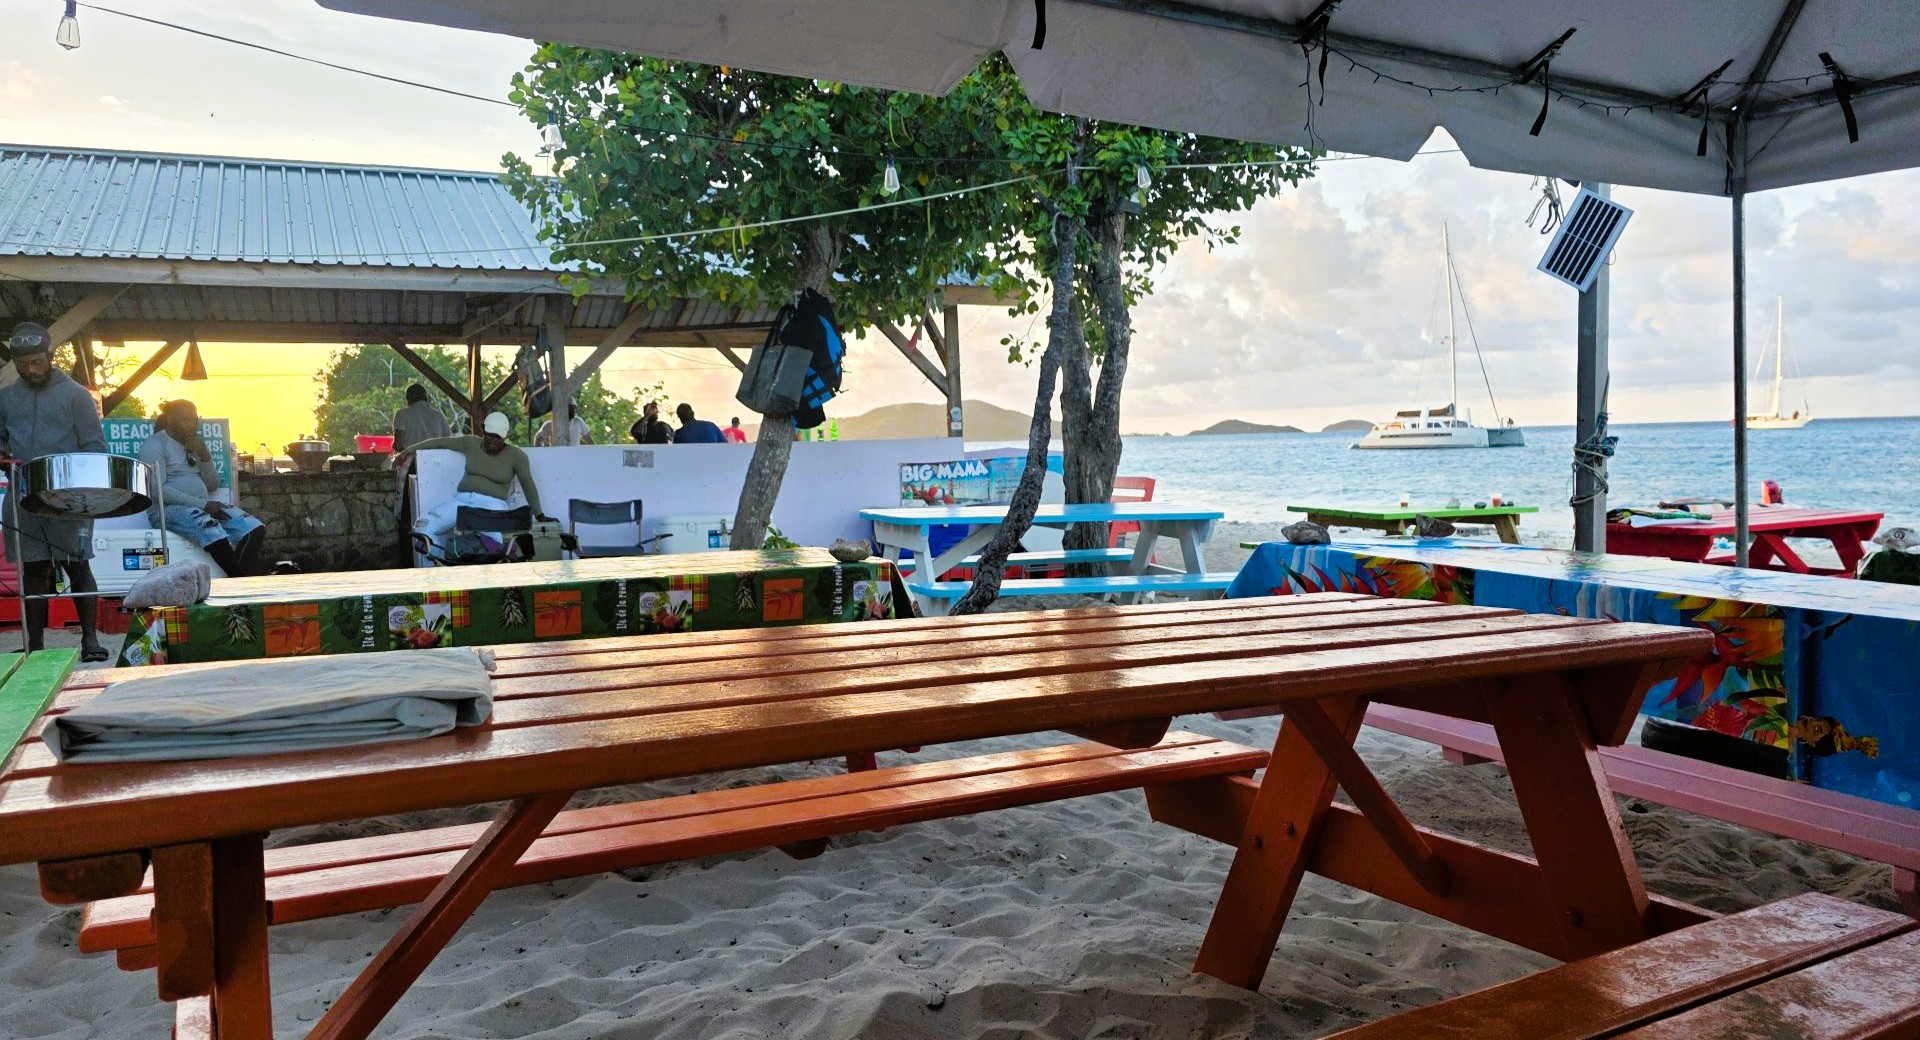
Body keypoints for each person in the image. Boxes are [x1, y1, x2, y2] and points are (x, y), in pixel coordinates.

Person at [0, 322, 111, 660]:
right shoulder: (5, 397)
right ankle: (35, 648)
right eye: (22, 365)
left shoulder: (75, 395)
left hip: (68, 497)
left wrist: (70, 474)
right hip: (23, 494)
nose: (30, 370)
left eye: (36, 362)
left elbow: (95, 446)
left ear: (49, 356)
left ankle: (90, 641)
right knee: (33, 569)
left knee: (76, 564)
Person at [139, 399, 267, 577]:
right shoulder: (155, 445)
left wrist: (205, 456)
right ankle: (241, 581)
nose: (190, 426)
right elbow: (158, 490)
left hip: (200, 507)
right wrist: (202, 505)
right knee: (211, 528)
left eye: (193, 420)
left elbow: (212, 484)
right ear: (169, 419)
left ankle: (238, 579)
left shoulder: (195, 444)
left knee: (253, 528)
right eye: (185, 420)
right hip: (166, 510)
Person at [392, 411, 544, 553]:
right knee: (423, 527)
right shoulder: (471, 443)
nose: (493, 440)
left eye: (498, 437)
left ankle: (491, 573)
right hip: (463, 501)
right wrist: (409, 450)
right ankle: (438, 574)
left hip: (493, 505)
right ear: (484, 431)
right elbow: (441, 442)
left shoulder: (517, 456)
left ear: (505, 436)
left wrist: (539, 514)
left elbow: (527, 484)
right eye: (490, 435)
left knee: (491, 543)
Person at [390, 383, 450, 452]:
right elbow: (448, 443)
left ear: (408, 398)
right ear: (425, 398)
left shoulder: (402, 414)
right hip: (436, 460)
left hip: (412, 461)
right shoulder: (439, 415)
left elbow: (398, 445)